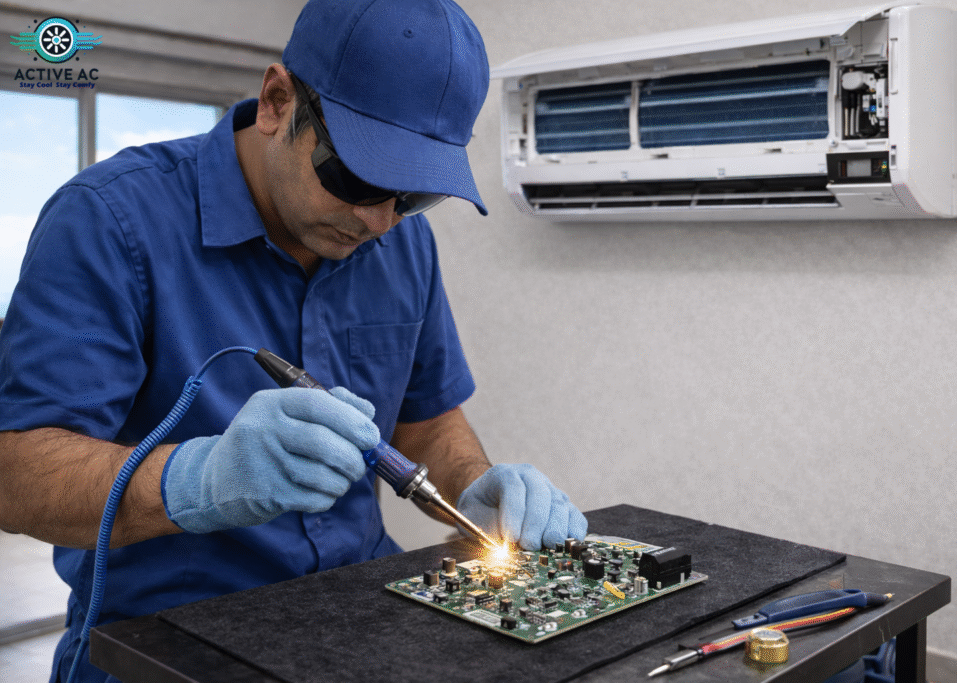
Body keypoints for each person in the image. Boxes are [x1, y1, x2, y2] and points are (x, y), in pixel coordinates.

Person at [0, 1, 587, 681]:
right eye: (357, 178)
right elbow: (16, 475)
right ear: (278, 101)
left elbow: (425, 421)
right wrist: (196, 481)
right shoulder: (109, 222)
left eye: (413, 196)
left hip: (363, 621)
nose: (379, 221)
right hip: (163, 644)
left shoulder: (401, 245)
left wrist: (473, 482)